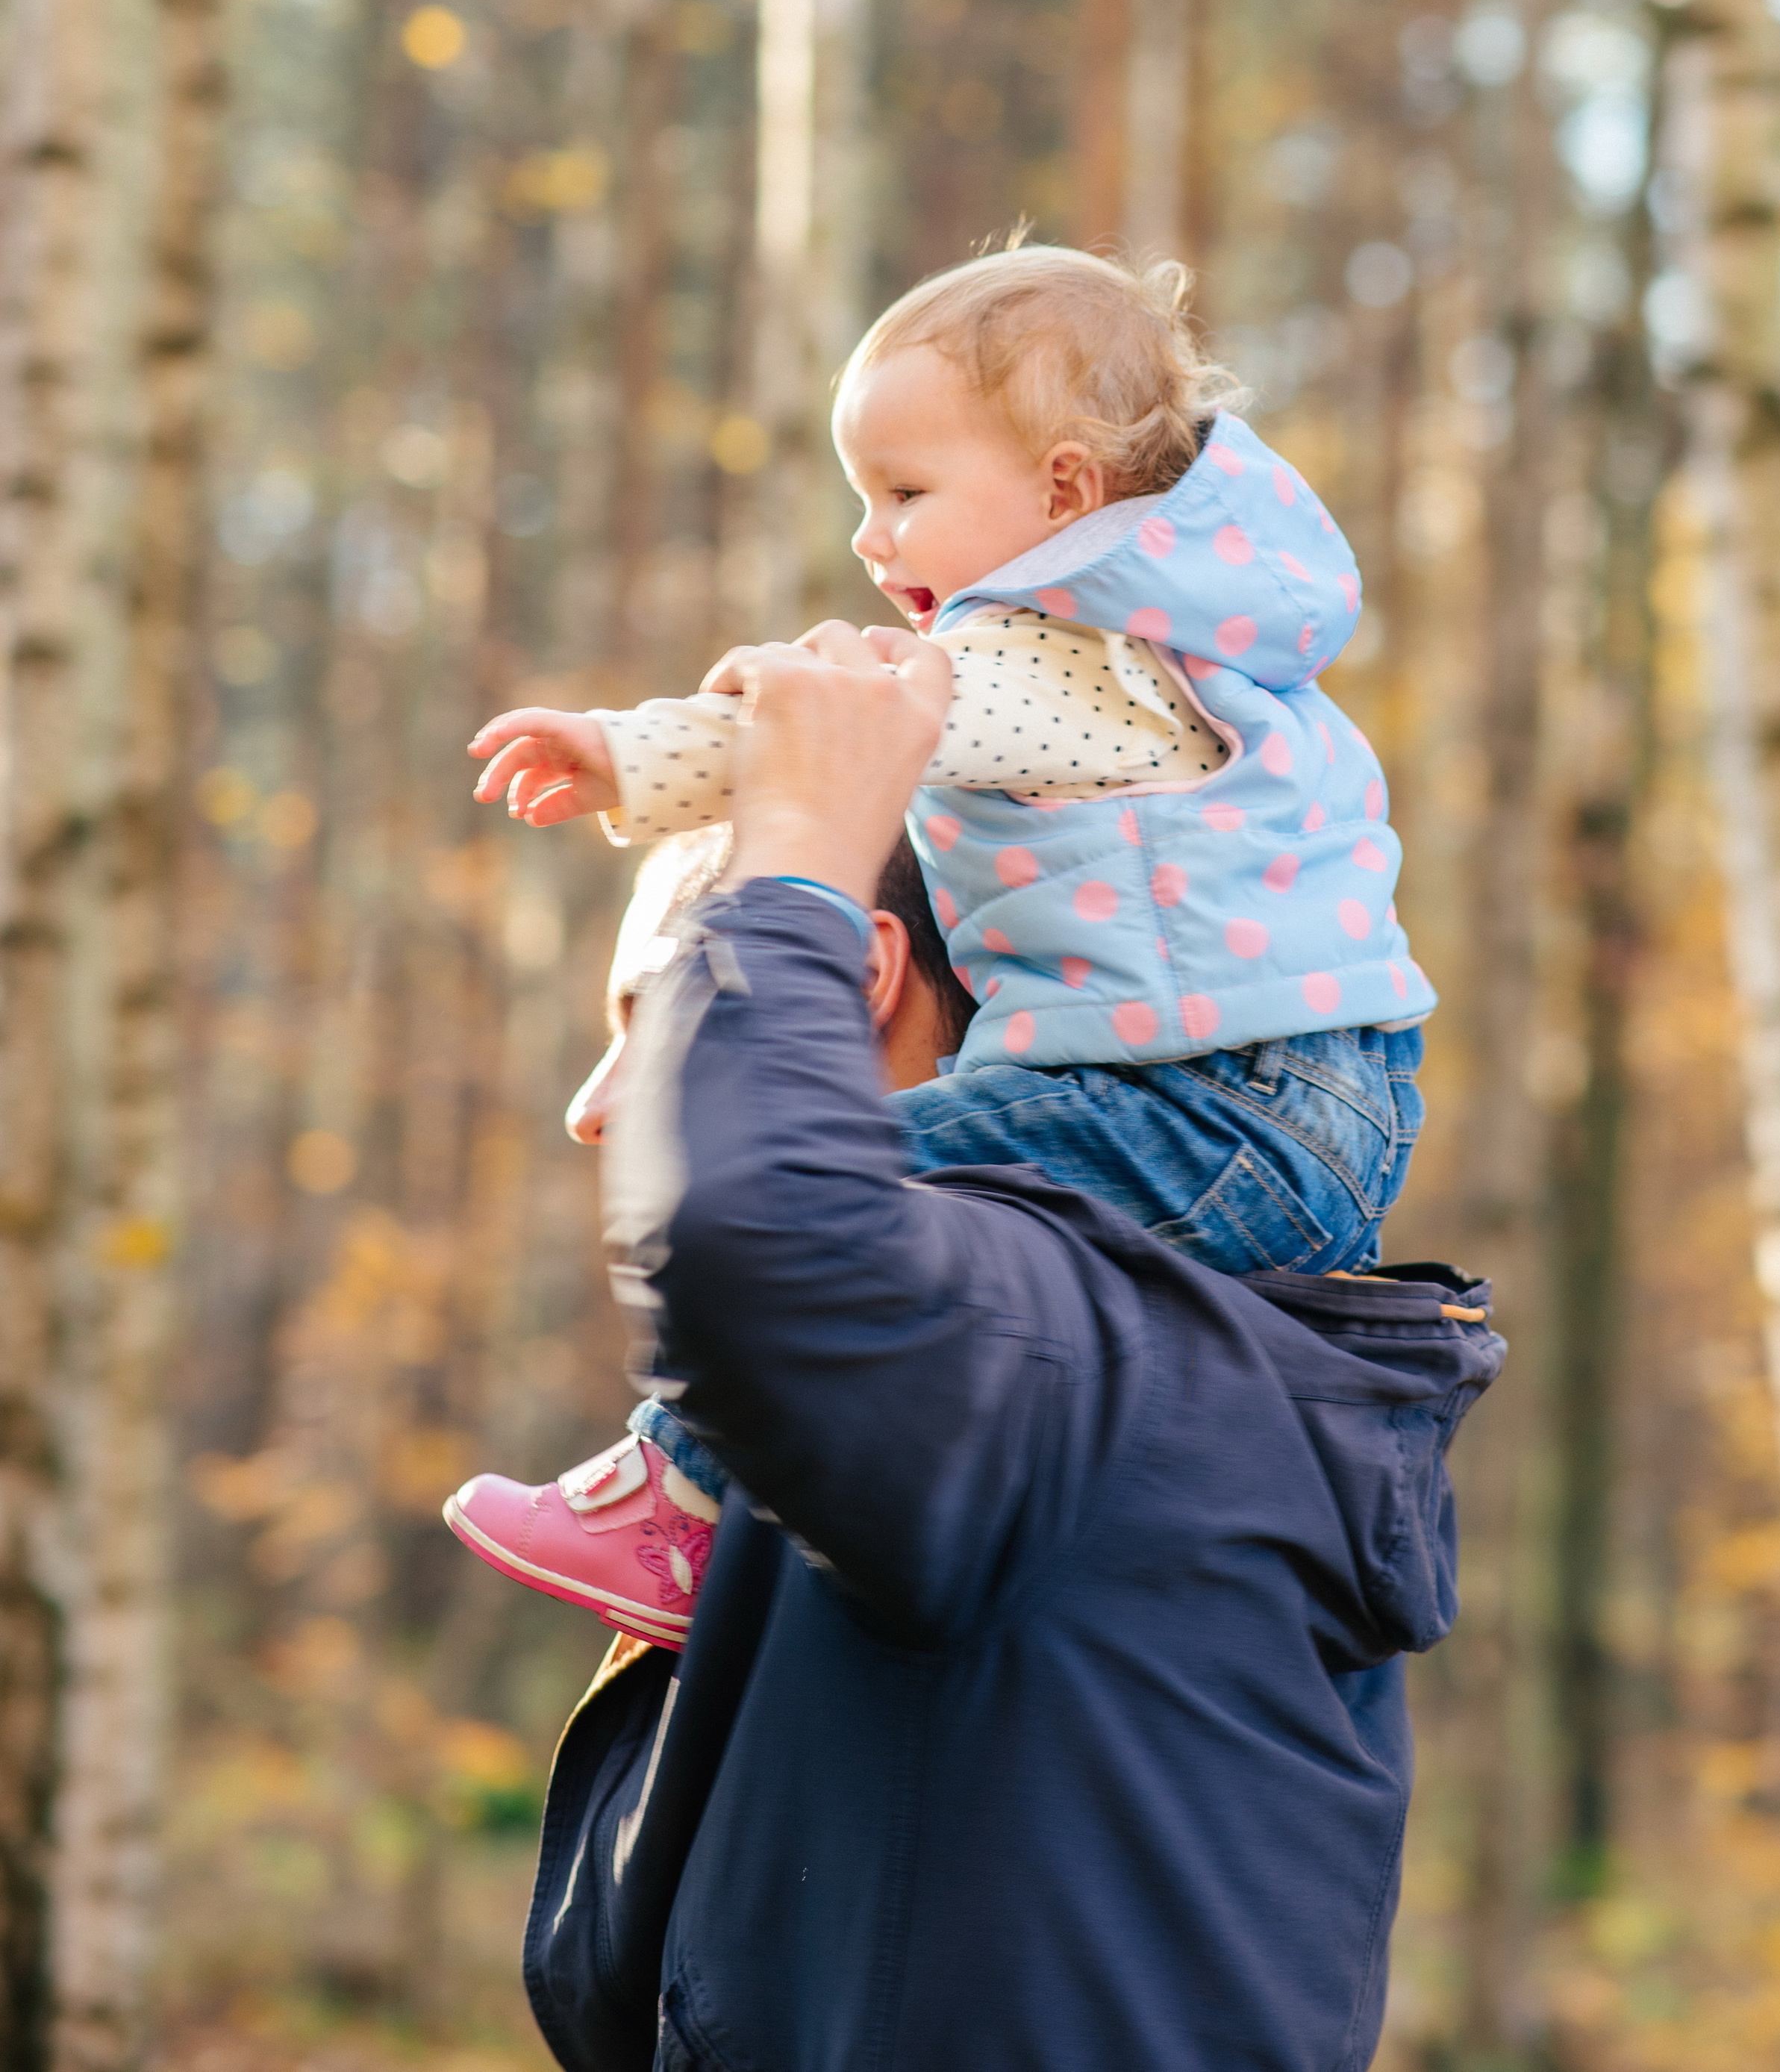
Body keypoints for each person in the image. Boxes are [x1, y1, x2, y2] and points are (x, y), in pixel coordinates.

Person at [513, 625, 1502, 2072]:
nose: (592, 1106)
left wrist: (801, 848)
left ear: (851, 975)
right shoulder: (1042, 1371)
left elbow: (751, 1234)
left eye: (660, 1010)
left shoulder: (1049, 1362)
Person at [449, 246, 1437, 1645]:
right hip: (1289, 1106)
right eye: (864, 499)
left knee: (829, 1187)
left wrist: (625, 753)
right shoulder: (1175, 645)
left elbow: (846, 731)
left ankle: (675, 1504)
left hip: (1217, 1108)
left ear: (1067, 489)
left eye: (905, 495)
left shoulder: (1072, 656)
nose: (873, 540)